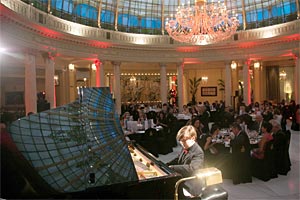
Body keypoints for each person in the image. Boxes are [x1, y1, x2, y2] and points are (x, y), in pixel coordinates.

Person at [167, 125, 204, 198]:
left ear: (193, 138)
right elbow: (178, 159)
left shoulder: (198, 152)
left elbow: (192, 168)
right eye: (180, 141)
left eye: (184, 141)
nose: (182, 143)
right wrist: (166, 164)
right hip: (183, 177)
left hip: (191, 183)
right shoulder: (186, 146)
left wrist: (172, 167)